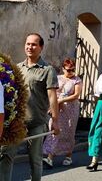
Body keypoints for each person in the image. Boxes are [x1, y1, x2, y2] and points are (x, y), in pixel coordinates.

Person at [0, 33, 60, 181]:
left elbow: (52, 96)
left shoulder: (48, 70)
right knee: (5, 156)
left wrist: (55, 120)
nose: (30, 47)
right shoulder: (16, 68)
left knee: (35, 160)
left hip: (36, 122)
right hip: (16, 122)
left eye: (34, 44)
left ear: (41, 47)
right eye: (28, 44)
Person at [42, 58, 82, 167]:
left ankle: (68, 156)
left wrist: (62, 100)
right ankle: (50, 158)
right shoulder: (57, 78)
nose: (71, 72)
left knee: (68, 132)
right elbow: (52, 93)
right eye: (68, 70)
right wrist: (53, 104)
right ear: (63, 69)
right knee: (54, 130)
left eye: (73, 70)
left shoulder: (76, 80)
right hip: (57, 108)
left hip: (70, 109)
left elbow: (76, 95)